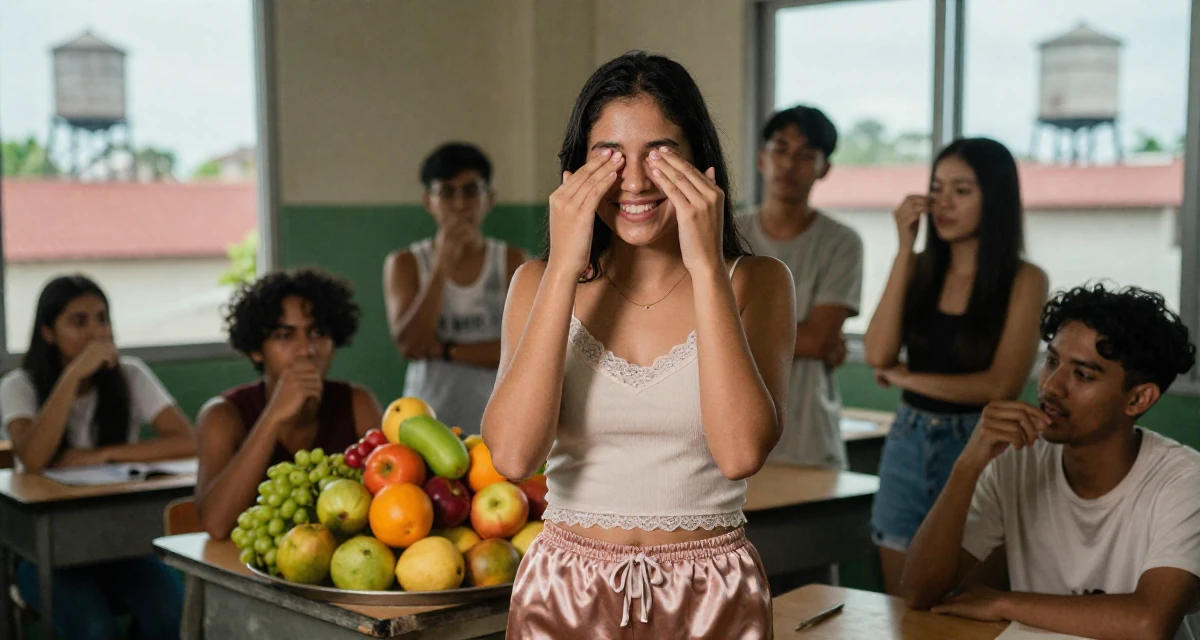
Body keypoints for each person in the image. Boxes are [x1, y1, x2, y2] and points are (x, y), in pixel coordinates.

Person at [482, 51, 796, 638]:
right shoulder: (534, 283)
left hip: (711, 593)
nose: (634, 179)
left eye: (659, 152)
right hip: (565, 590)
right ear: (575, 170)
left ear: (700, 161)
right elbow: (514, 457)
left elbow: (740, 452)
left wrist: (704, 263)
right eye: (609, 155)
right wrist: (565, 264)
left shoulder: (758, 281)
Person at [900, 285, 1199, 640]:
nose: (1052, 387)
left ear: (1137, 399)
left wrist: (1002, 603)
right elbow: (919, 591)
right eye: (1052, 361)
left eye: (1083, 375)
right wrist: (967, 465)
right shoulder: (1016, 457)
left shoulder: (1183, 480)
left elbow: (1148, 623)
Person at [863, 137, 1049, 594]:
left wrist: (908, 377)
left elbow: (1001, 385)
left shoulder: (1025, 279)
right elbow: (877, 353)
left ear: (996, 198)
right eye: (937, 187)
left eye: (962, 190)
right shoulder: (921, 266)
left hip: (981, 443)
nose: (943, 202)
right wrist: (904, 249)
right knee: (901, 603)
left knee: (964, 602)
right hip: (908, 440)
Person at [0, 275, 194, 639]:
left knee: (174, 616)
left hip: (121, 546)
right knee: (94, 629)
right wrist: (72, 376)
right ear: (47, 332)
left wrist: (104, 454)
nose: (96, 332)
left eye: (102, 319)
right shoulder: (18, 385)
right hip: (48, 554)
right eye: (79, 321)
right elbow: (34, 457)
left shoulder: (130, 374)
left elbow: (189, 441)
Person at [194, 267, 381, 539]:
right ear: (257, 349)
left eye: (317, 332)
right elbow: (216, 524)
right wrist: (273, 417)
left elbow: (391, 500)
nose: (306, 350)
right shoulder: (222, 415)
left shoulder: (358, 403)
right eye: (285, 335)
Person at [738, 104, 863, 469]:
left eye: (806, 155)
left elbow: (820, 338)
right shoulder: (726, 232)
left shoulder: (842, 242)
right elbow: (692, 327)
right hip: (731, 435)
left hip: (809, 439)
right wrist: (802, 337)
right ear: (762, 158)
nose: (789, 164)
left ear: (825, 168)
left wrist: (733, 325)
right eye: (780, 149)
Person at [383, 142, 527, 432]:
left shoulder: (513, 261)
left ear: (490, 198)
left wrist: (445, 351)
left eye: (471, 191)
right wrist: (441, 267)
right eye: (447, 192)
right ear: (428, 201)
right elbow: (411, 345)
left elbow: (523, 350)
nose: (460, 205)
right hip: (427, 421)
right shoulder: (406, 262)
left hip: (499, 418)